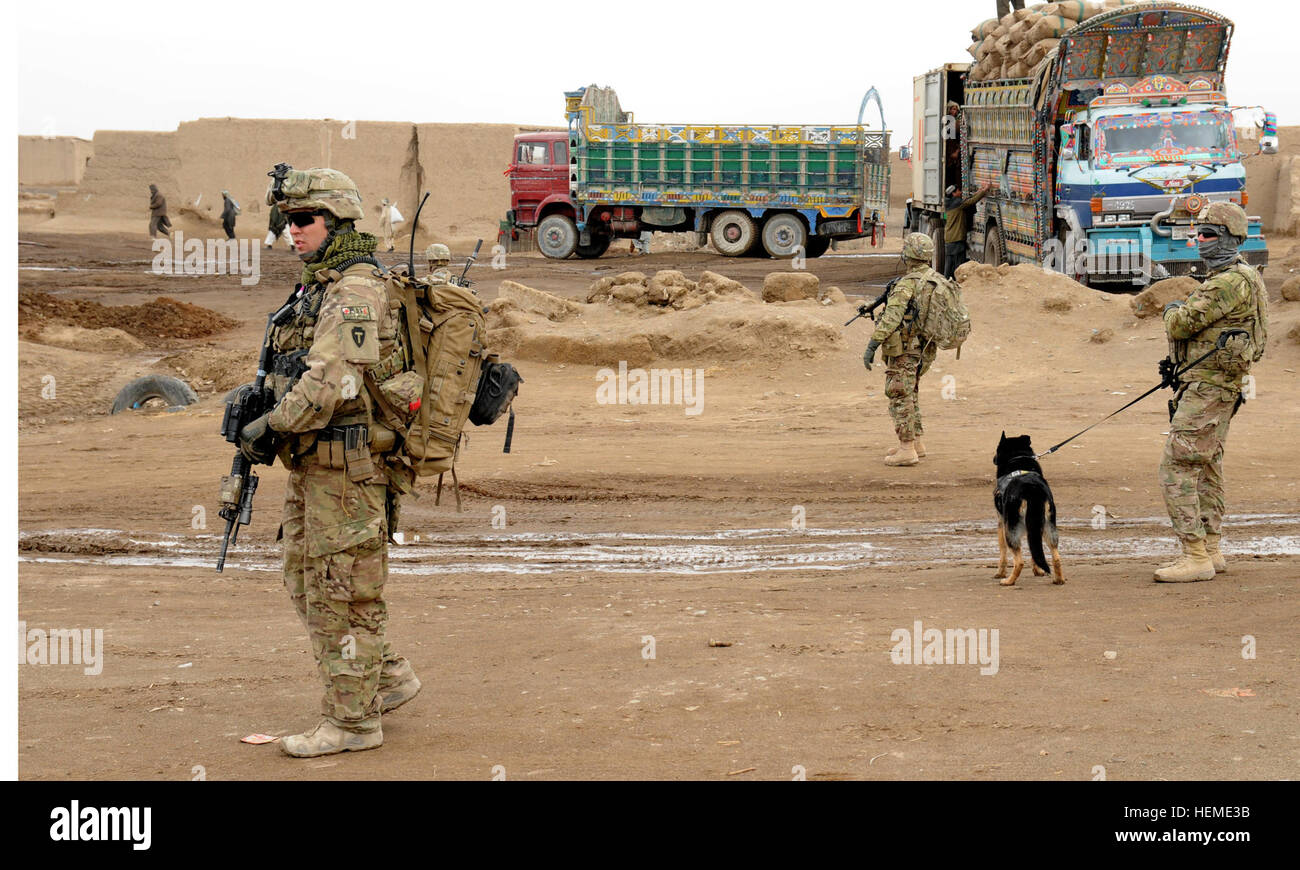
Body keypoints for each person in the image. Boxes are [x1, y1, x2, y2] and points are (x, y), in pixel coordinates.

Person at [237, 167, 420, 756]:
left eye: (302, 220)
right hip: (315, 465)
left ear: (336, 221)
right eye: (286, 221)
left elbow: (333, 383)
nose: (292, 231)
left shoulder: (356, 290)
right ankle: (384, 677)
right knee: (301, 575)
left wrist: (272, 424)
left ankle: (353, 722)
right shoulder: (321, 283)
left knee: (338, 592)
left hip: (346, 471)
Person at [1155, 202, 1268, 582]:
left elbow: (1182, 324)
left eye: (1207, 236)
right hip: (1214, 386)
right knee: (1206, 464)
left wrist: (1171, 308)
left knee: (1178, 465)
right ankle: (1211, 550)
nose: (1199, 241)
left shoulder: (1227, 282)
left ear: (1229, 239)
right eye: (1198, 234)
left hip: (1209, 388)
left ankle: (1195, 555)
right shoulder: (1239, 276)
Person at [862, 232, 944, 467]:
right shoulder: (934, 279)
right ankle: (917, 443)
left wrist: (872, 345)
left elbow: (891, 318)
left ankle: (906, 449)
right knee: (911, 392)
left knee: (899, 393)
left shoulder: (908, 284)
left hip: (906, 348)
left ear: (908, 255)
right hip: (925, 349)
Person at [942, 183, 994, 278]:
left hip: (949, 238)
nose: (960, 192)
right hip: (956, 238)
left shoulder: (949, 203)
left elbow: (967, 200)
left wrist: (978, 192)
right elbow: (971, 201)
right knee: (959, 265)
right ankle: (958, 283)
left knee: (949, 264)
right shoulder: (957, 203)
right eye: (958, 191)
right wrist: (984, 190)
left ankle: (946, 281)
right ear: (953, 194)